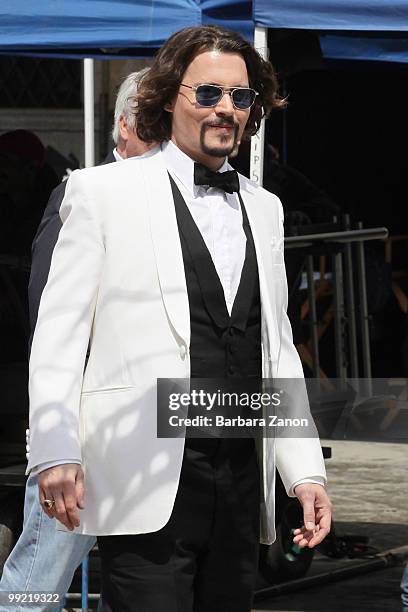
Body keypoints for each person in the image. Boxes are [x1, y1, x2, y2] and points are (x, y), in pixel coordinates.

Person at [27, 26, 332, 612]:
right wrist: (55, 451)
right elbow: (59, 337)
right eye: (209, 93)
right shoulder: (100, 193)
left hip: (241, 479)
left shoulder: (265, 209)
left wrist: (304, 473)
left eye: (241, 98)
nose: (226, 109)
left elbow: (277, 349)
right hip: (145, 472)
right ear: (169, 97)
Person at [0, 69, 151, 611]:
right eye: (156, 128)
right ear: (126, 128)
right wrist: (59, 432)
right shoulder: (83, 192)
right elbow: (52, 312)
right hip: (84, 422)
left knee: (141, 582)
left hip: (152, 426)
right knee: (39, 579)